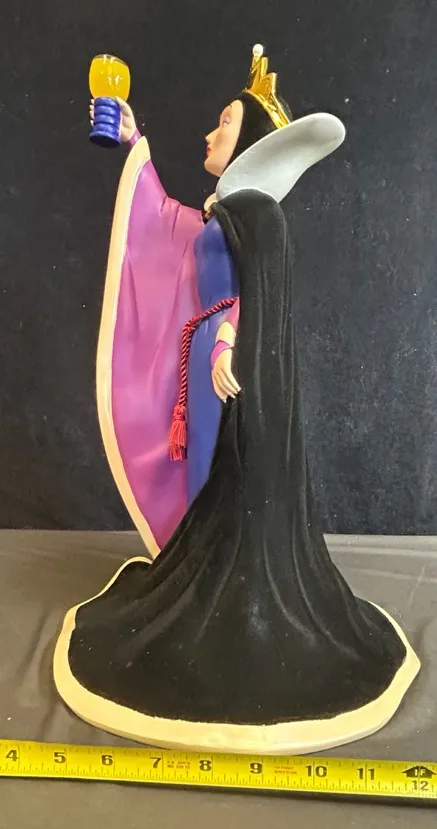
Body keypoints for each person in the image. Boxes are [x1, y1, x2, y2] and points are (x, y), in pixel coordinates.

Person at [54, 46, 419, 755]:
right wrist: (133, 141)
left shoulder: (257, 213)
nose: (208, 133)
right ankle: (203, 581)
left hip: (227, 367)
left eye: (223, 123)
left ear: (249, 137)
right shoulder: (226, 210)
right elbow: (168, 225)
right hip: (204, 364)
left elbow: (260, 295)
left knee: (227, 478)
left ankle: (233, 595)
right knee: (204, 482)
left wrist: (228, 344)